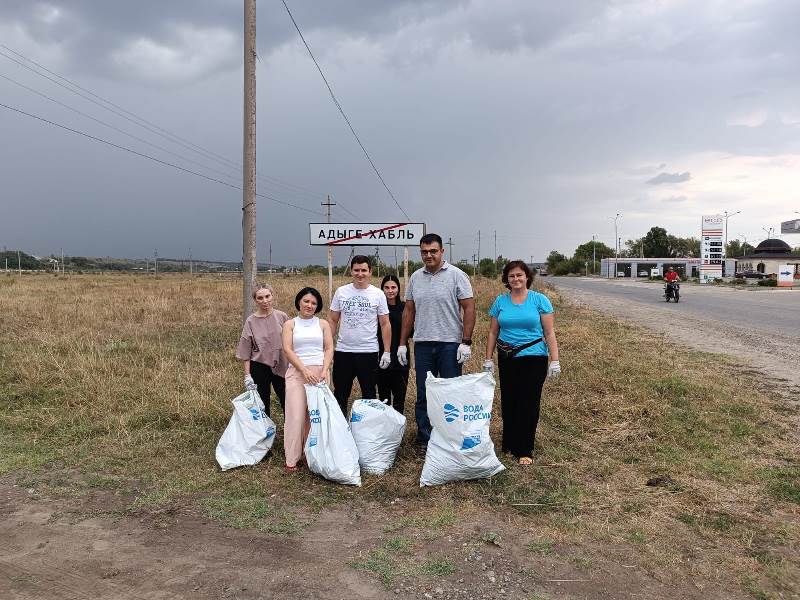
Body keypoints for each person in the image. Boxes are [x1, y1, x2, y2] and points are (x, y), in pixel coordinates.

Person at [398, 233, 476, 448]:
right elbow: (409, 311)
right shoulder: (415, 277)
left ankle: (451, 437)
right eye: (424, 251)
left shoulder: (457, 275)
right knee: (424, 393)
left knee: (451, 392)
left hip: (450, 344)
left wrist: (466, 341)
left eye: (433, 251)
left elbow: (469, 307)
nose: (428, 255)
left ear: (442, 251)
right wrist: (402, 343)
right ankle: (425, 438)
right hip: (422, 343)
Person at [483, 260, 561, 465]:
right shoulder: (500, 302)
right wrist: (488, 359)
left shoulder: (539, 300)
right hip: (507, 357)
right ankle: (509, 443)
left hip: (534, 357)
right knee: (509, 399)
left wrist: (555, 360)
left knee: (529, 401)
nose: (516, 279)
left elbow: (549, 332)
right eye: (511, 276)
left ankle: (525, 448)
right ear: (506, 280)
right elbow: (493, 332)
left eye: (519, 275)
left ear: (527, 277)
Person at [328, 255, 391, 415]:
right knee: (340, 393)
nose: (360, 274)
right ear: (351, 271)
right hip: (343, 351)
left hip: (368, 352)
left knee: (369, 394)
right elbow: (333, 320)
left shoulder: (378, 294)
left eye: (364, 270)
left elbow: (385, 324)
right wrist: (327, 348)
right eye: (356, 270)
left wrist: (387, 352)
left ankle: (367, 432)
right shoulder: (341, 292)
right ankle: (340, 431)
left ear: (370, 272)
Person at [281, 287, 334, 473]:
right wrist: (303, 370)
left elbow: (328, 348)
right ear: (299, 302)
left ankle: (312, 454)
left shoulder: (323, 324)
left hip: (319, 373)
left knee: (315, 416)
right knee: (296, 416)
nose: (309, 305)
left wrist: (325, 369)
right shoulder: (290, 324)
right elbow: (288, 350)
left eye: (313, 303)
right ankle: (292, 459)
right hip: (297, 372)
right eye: (306, 301)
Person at [236, 283, 289, 417]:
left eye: (267, 296)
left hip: (282, 364)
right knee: (262, 403)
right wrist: (247, 375)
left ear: (272, 296)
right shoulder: (250, 321)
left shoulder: (282, 316)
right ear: (255, 300)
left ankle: (291, 434)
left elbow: (292, 342)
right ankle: (266, 434)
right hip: (259, 366)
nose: (265, 301)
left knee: (287, 400)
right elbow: (246, 351)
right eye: (260, 298)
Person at [376, 274, 411, 414]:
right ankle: (385, 430)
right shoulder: (377, 308)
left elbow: (411, 330)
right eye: (386, 287)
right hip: (382, 356)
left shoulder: (405, 308)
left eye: (393, 287)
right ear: (382, 289)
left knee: (399, 398)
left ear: (398, 289)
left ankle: (398, 431)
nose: (390, 291)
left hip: (400, 356)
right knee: (383, 399)